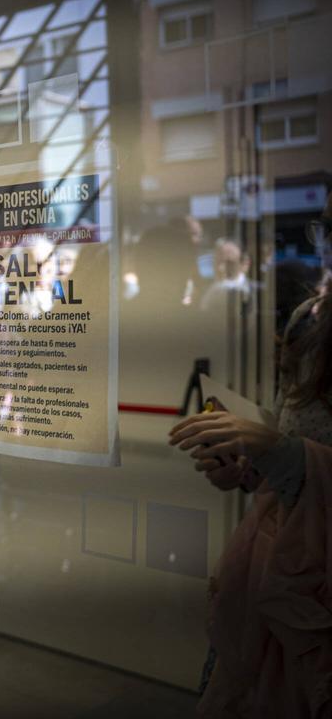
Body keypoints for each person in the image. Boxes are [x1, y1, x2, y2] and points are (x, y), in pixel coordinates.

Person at [169, 197, 332, 718]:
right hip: (283, 551)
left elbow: (294, 445)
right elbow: (294, 428)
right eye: (325, 226)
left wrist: (277, 452)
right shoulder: (312, 316)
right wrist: (250, 461)